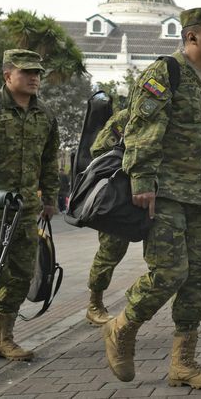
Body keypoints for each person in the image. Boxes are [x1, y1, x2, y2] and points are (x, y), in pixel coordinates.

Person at [102, 7, 201, 389]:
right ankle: (122, 325)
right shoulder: (165, 72)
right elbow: (143, 129)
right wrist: (142, 179)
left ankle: (182, 363)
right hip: (163, 193)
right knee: (169, 273)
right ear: (192, 36)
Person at [0, 50, 59, 361]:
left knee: (20, 274)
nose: (35, 78)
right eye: (27, 72)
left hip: (23, 211)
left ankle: (4, 337)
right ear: (8, 75)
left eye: (38, 73)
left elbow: (49, 161)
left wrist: (49, 199)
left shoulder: (45, 115)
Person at [84, 108, 131, 325]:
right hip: (122, 196)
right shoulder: (125, 117)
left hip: (159, 193)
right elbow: (98, 150)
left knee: (168, 249)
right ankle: (95, 303)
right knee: (111, 250)